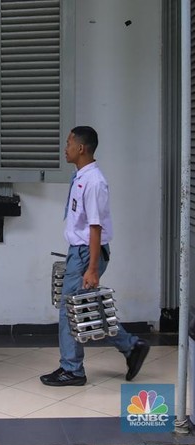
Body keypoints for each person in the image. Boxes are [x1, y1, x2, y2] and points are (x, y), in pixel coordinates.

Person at [40, 126, 149, 386]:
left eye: (68, 143)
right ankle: (131, 346)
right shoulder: (81, 177)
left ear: (81, 148)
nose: (64, 148)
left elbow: (95, 226)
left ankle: (72, 369)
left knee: (70, 309)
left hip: (87, 253)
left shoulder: (94, 181)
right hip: (79, 252)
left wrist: (91, 268)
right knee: (84, 308)